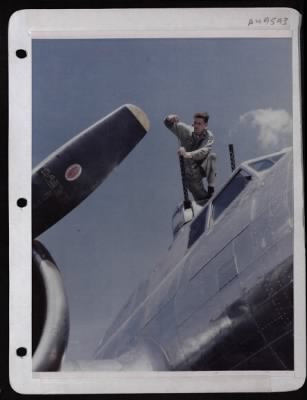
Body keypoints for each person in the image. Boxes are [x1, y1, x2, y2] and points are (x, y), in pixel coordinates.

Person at [164, 112, 216, 205]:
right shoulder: (186, 130)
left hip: (202, 165)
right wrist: (170, 118)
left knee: (212, 156)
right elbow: (167, 123)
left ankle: (211, 188)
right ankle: (202, 198)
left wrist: (188, 154)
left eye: (199, 124)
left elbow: (204, 151)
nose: (196, 126)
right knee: (188, 163)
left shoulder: (209, 136)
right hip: (190, 171)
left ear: (205, 125)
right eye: (195, 123)